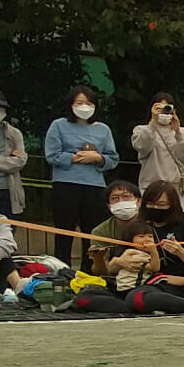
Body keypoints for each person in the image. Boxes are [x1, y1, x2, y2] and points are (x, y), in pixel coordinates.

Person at [45, 85, 119, 270]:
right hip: (65, 184)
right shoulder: (58, 125)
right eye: (79, 103)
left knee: (92, 231)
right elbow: (51, 155)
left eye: (88, 103)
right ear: (71, 105)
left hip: (94, 185)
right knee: (64, 230)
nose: (84, 106)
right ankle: (62, 271)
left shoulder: (103, 129)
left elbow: (113, 158)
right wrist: (74, 157)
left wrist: (98, 158)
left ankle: (91, 270)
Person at [136, 181, 184, 298]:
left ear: (172, 205)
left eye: (161, 204)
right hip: (142, 281)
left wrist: (180, 251)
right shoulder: (139, 227)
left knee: (144, 296)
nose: (155, 208)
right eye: (151, 204)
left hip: (175, 285)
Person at [130, 92, 184, 205]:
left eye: (167, 107)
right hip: (151, 186)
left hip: (177, 187)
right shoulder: (142, 130)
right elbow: (142, 147)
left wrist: (178, 132)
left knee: (176, 219)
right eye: (159, 107)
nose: (163, 111)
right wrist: (153, 122)